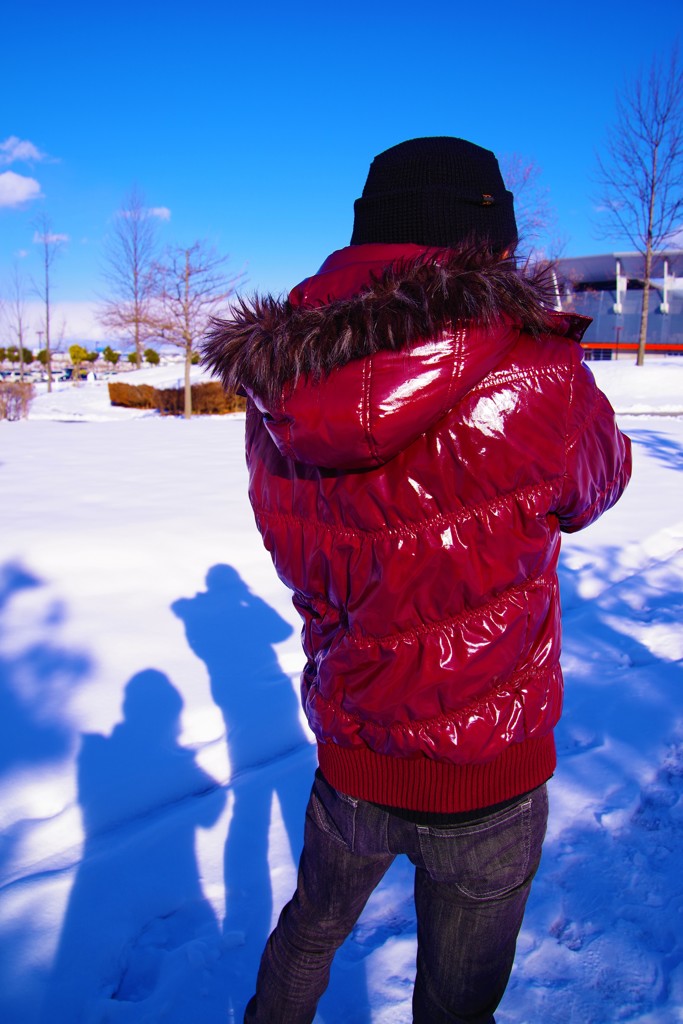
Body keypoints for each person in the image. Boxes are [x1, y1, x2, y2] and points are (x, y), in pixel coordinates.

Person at [202, 136, 632, 1024]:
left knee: (308, 936)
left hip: (353, 739)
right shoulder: (539, 370)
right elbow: (598, 483)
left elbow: (291, 533)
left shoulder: (284, 377)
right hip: (490, 763)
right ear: (490, 241)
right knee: (454, 1002)